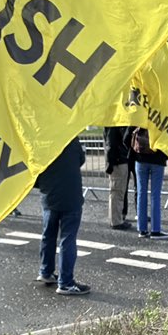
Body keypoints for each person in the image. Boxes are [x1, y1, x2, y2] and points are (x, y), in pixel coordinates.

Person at [35, 138, 91, 295]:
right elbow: (81, 158)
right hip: (70, 192)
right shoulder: (69, 135)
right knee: (68, 237)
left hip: (49, 192)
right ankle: (66, 282)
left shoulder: (42, 137)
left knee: (48, 233)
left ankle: (46, 272)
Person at [133, 127, 168, 239]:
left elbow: (127, 136)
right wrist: (164, 156)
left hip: (140, 159)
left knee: (141, 193)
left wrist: (135, 154)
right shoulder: (160, 119)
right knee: (155, 195)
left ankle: (142, 229)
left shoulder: (140, 117)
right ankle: (155, 230)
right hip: (157, 159)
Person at [104, 125, 134, 229]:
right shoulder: (113, 126)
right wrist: (111, 163)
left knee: (117, 192)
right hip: (118, 162)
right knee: (117, 192)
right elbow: (111, 145)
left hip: (117, 161)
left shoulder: (112, 126)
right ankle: (116, 221)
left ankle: (115, 218)